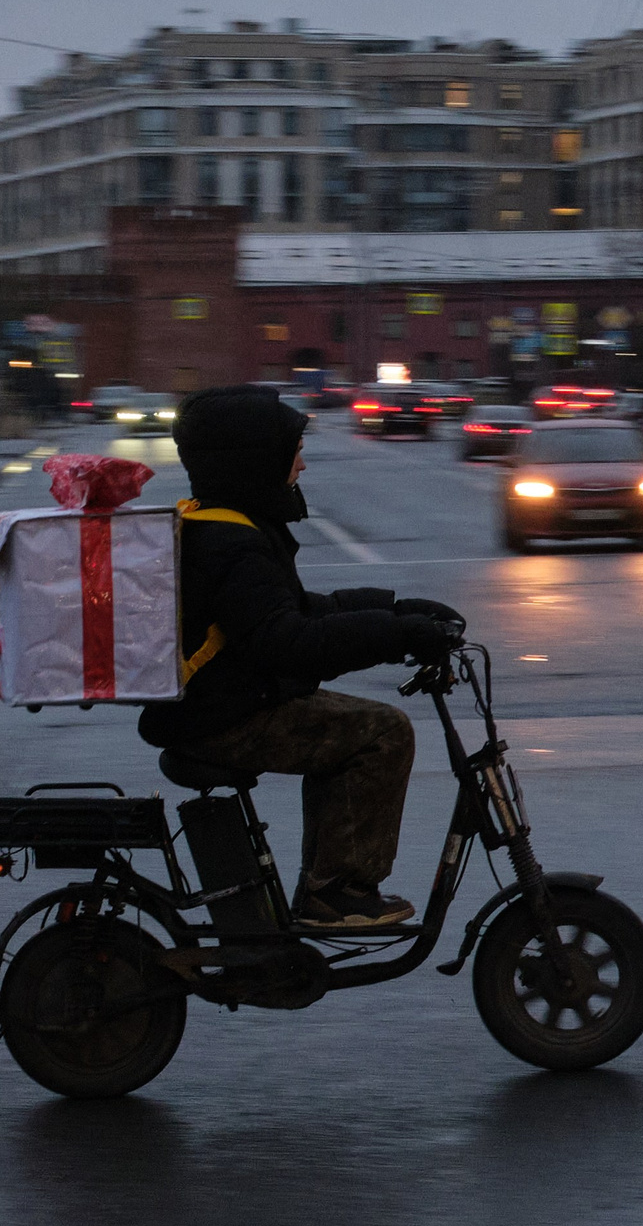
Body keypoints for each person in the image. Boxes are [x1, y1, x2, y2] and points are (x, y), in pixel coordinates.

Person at [141, 384, 463, 929]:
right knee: (381, 732)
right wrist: (395, 636)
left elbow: (294, 608)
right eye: (293, 453)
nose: (303, 465)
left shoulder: (216, 523)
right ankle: (335, 891)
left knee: (345, 727)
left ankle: (325, 886)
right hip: (224, 717)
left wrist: (396, 610)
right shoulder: (232, 542)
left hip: (220, 703)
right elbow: (287, 645)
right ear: (255, 461)